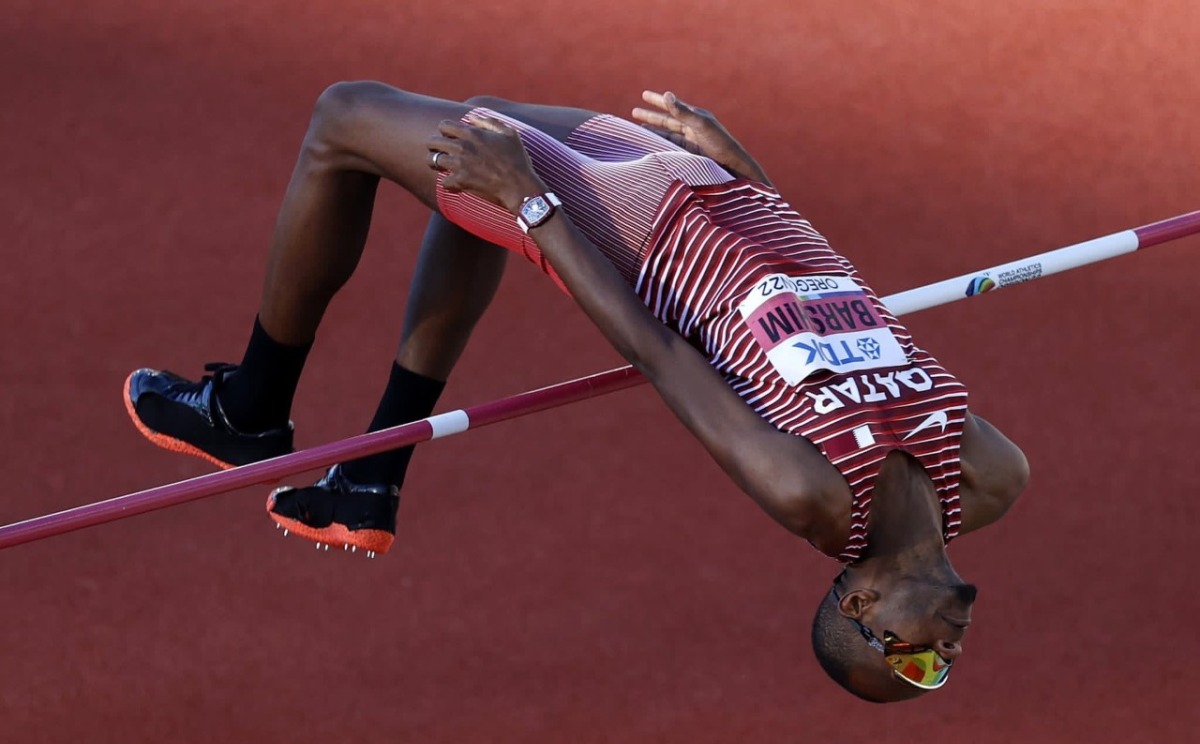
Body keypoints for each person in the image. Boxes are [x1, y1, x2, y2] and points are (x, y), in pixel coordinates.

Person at [123, 83, 1030, 701]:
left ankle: (249, 411)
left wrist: (532, 205)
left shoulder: (816, 495)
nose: (942, 658)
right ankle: (372, 471)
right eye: (930, 669)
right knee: (468, 139)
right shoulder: (990, 474)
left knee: (345, 119)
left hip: (640, 226)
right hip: (726, 197)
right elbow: (850, 308)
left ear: (861, 604)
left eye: (913, 664)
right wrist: (756, 180)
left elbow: (662, 353)